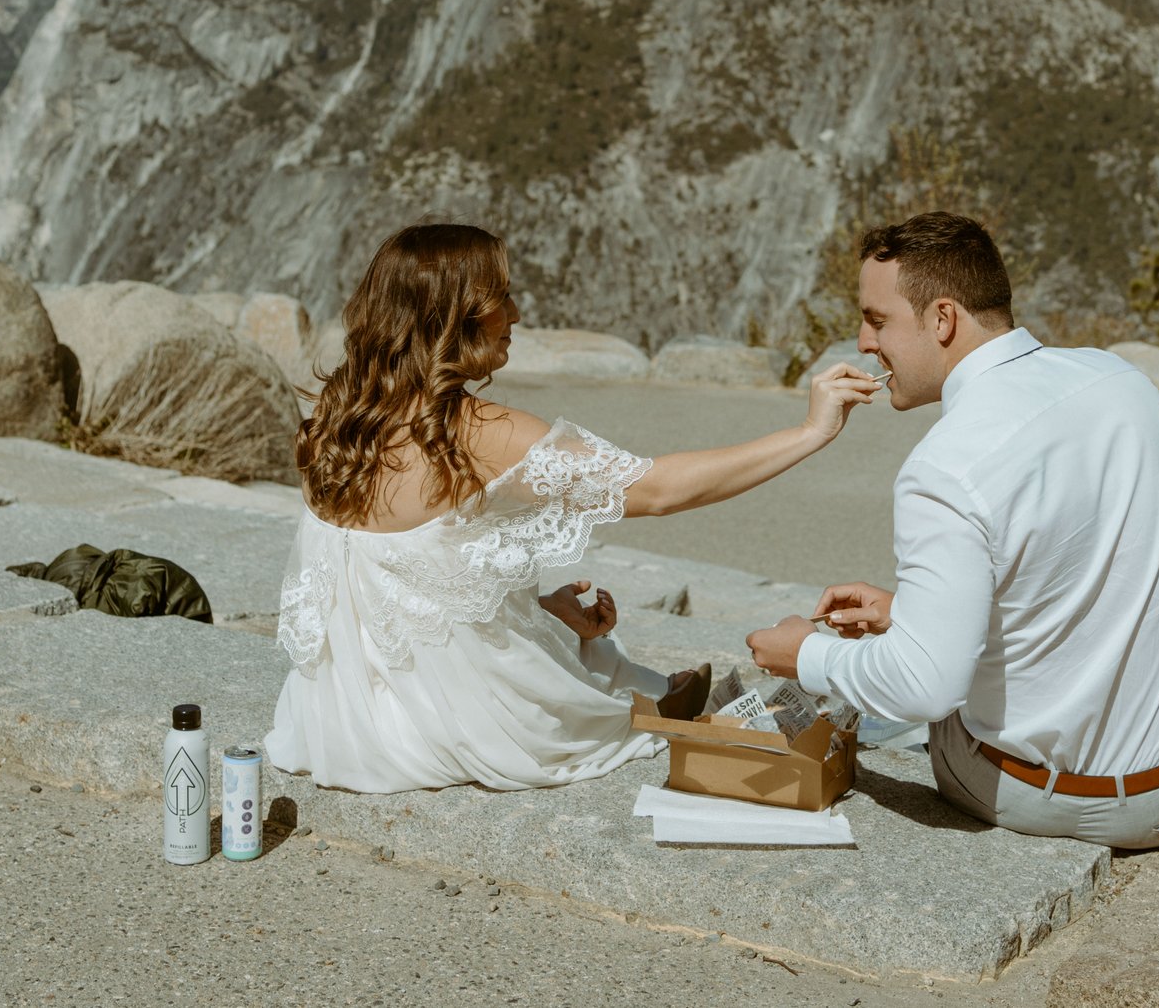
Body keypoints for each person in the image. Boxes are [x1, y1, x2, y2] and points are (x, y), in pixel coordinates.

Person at [266, 222, 877, 793]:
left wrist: (537, 611)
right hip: (447, 726)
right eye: (499, 298)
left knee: (578, 644)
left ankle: (638, 685)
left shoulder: (334, 423)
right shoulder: (475, 432)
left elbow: (397, 580)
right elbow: (658, 489)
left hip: (333, 721)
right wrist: (809, 432)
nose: (516, 314)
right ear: (451, 318)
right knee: (619, 698)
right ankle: (652, 703)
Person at [745, 212, 1159, 848]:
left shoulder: (944, 464)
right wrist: (910, 615)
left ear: (943, 320)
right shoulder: (1123, 382)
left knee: (943, 693)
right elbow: (1073, 577)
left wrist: (804, 655)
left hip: (1021, 792)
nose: (864, 343)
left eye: (876, 321)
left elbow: (927, 688)